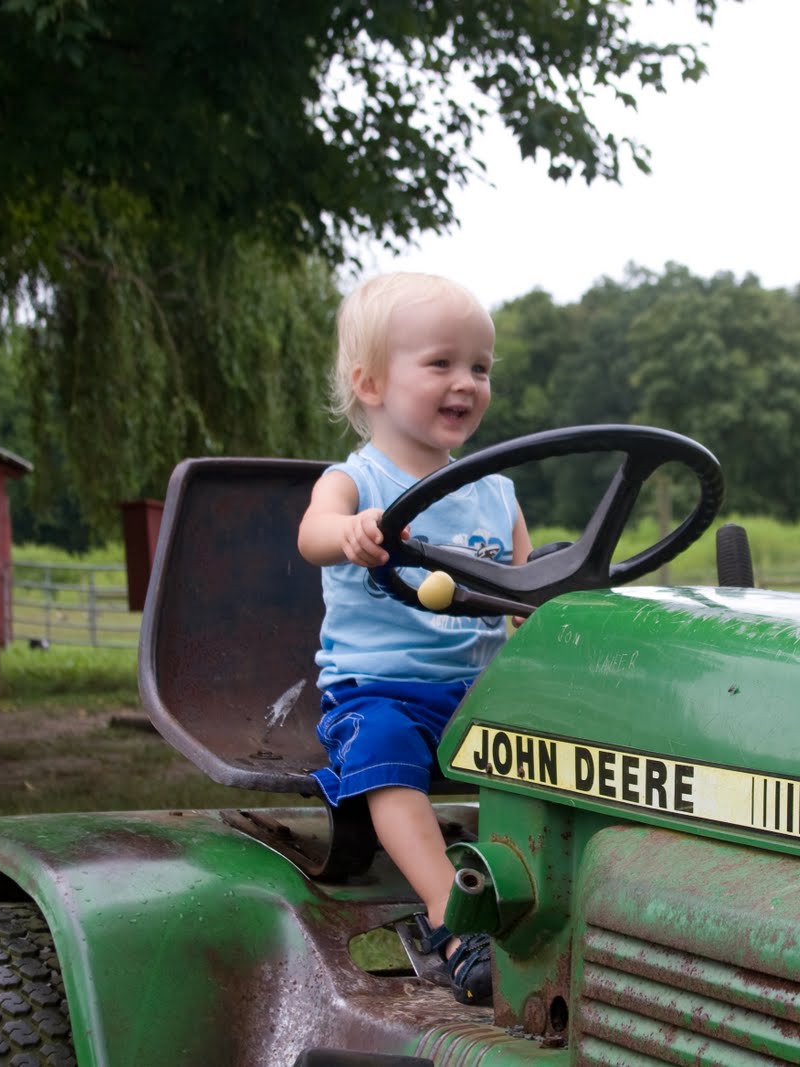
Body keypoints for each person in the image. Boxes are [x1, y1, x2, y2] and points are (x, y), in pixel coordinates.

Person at [297, 272, 530, 1006]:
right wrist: (349, 532)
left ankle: (550, 906)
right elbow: (312, 534)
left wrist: (538, 612)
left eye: (480, 367)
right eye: (441, 363)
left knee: (561, 739)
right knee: (384, 753)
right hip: (380, 687)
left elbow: (525, 589)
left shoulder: (497, 492)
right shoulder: (354, 482)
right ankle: (451, 918)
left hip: (477, 690)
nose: (466, 382)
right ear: (369, 382)